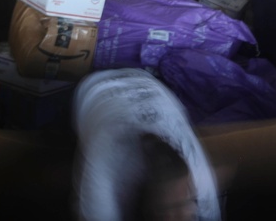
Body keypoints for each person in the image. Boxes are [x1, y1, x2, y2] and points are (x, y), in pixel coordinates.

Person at [73, 69, 221, 221]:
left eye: (187, 201)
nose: (182, 215)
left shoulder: (202, 187)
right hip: (96, 86)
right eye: (170, 208)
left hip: (146, 81)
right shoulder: (104, 170)